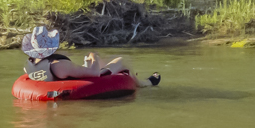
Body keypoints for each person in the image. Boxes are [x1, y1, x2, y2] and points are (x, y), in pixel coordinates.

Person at [21, 26, 160, 87]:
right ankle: (145, 84)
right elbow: (95, 74)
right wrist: (94, 57)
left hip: (64, 79)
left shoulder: (28, 66)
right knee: (122, 61)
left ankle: (139, 80)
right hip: (86, 82)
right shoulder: (58, 65)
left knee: (97, 61)